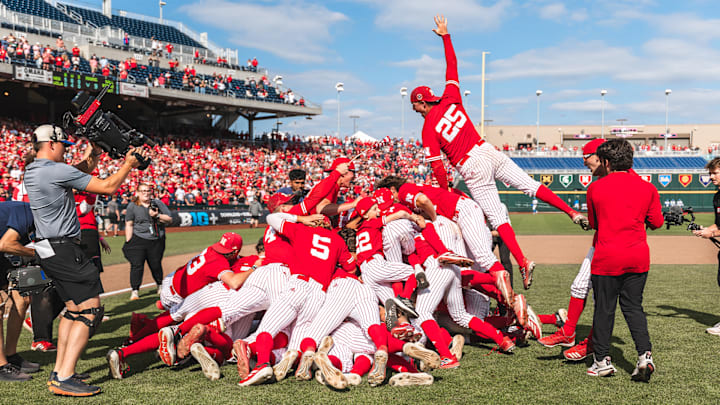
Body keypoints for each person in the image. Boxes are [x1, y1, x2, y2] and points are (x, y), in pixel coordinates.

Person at [410, 15, 589, 290]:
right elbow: (452, 65)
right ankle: (570, 212)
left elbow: (437, 167)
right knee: (530, 185)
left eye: (416, 108)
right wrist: (446, 36)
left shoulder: (427, 129)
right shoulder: (450, 97)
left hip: (470, 165)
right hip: (486, 149)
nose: (417, 112)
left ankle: (522, 259)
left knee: (498, 218)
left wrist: (445, 194)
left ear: (421, 104)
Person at [24, 125, 146, 396]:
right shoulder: (56, 170)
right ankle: (65, 377)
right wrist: (128, 164)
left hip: (47, 248)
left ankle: (60, 371)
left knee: (73, 309)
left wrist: (94, 153)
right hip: (65, 248)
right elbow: (107, 187)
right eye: (64, 146)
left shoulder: (33, 169)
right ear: (53, 145)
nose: (66, 151)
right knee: (90, 311)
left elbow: (77, 171)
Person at [585, 139, 663, 381]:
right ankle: (644, 356)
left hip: (607, 258)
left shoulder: (595, 188)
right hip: (637, 256)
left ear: (606, 162)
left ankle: (602, 361)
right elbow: (657, 223)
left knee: (604, 310)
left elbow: (595, 223)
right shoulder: (647, 188)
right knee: (633, 308)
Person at [0, 201, 37, 381]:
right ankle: (1, 366)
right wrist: (35, 254)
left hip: (3, 253)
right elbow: (6, 244)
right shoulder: (27, 211)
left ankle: (11, 355)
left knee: (23, 300)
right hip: (2, 247)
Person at [122, 183, 172, 300]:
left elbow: (169, 219)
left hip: (156, 239)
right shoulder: (132, 206)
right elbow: (129, 224)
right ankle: (135, 290)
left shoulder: (157, 203)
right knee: (137, 265)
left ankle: (160, 285)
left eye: (148, 191)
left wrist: (157, 215)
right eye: (143, 191)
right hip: (138, 238)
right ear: (138, 193)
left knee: (155, 264)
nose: (145, 193)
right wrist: (128, 240)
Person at [693, 157, 720, 335]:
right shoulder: (717, 196)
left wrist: (712, 233)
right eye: (710, 173)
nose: (711, 177)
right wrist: (705, 230)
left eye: (715, 173)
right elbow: (718, 225)